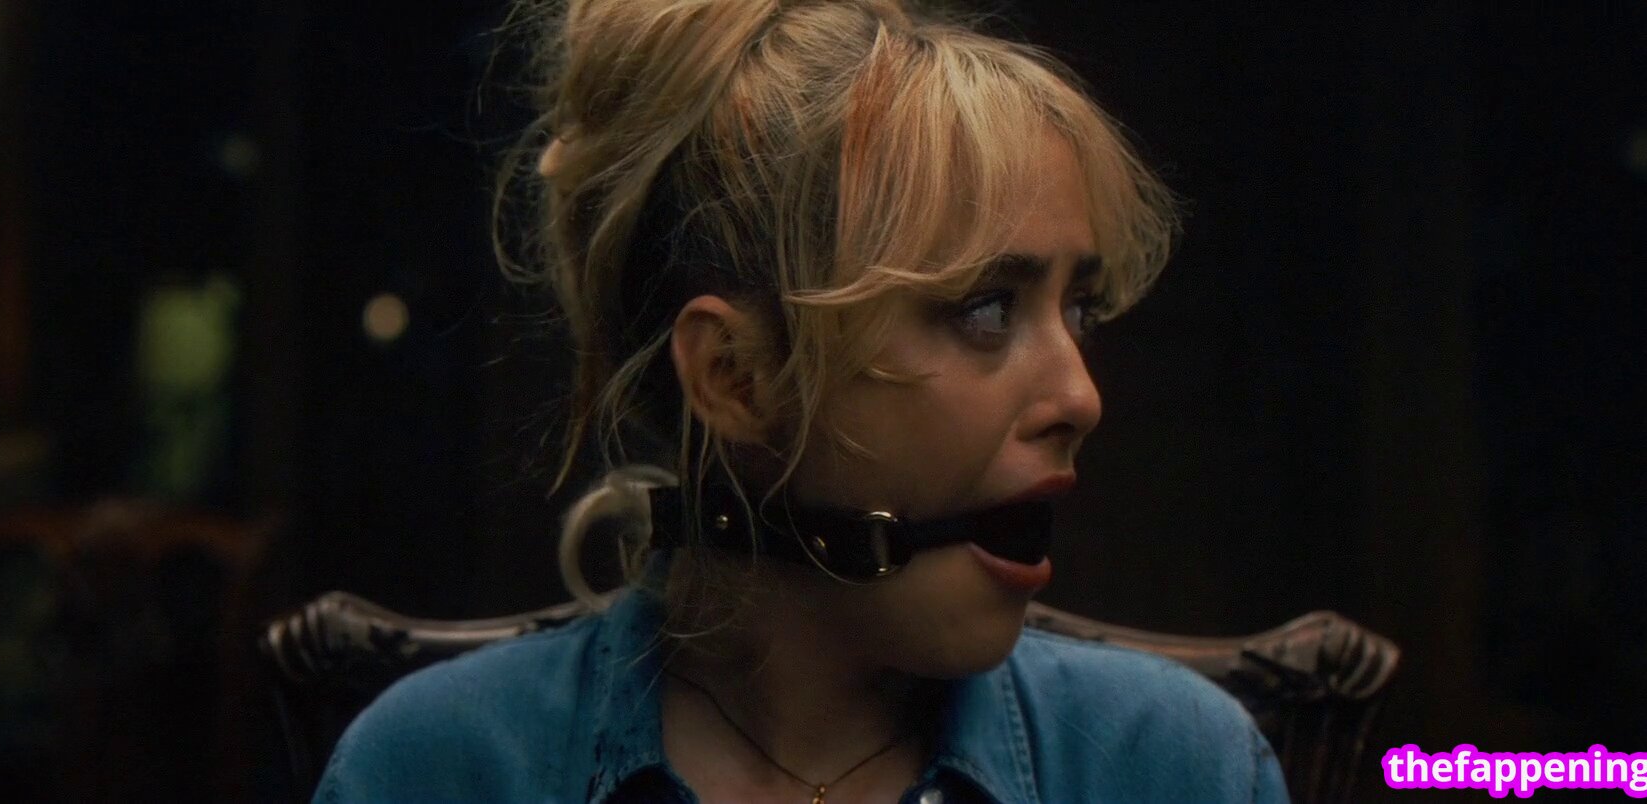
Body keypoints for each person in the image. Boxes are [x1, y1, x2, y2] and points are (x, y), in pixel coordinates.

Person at [317, 0, 1288, 801]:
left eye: (1079, 309)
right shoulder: (436, 770)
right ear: (736, 377)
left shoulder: (1173, 765)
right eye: (986, 310)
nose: (1080, 395)